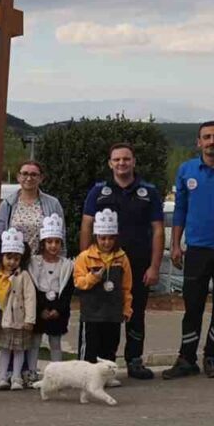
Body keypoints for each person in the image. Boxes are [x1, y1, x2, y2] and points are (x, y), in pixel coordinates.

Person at [80, 143, 164, 380]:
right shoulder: (99, 191)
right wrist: (86, 261)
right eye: (116, 159)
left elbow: (158, 230)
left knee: (135, 313)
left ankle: (134, 360)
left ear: (134, 161)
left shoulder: (149, 192)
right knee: (104, 315)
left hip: (138, 264)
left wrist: (154, 266)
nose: (121, 163)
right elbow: (86, 225)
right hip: (103, 266)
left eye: (126, 159)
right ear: (110, 163)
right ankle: (100, 363)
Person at [165, 121, 214, 380]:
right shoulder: (187, 170)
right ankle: (186, 358)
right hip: (196, 250)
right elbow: (180, 209)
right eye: (207, 137)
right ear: (199, 142)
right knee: (192, 307)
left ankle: (212, 357)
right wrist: (175, 244)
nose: (211, 141)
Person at [73, 209, 133, 363]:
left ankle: (107, 374)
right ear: (96, 237)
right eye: (103, 238)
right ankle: (85, 374)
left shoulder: (122, 258)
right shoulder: (85, 257)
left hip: (113, 314)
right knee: (89, 353)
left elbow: (126, 287)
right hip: (91, 315)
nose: (107, 242)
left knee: (109, 352)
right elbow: (78, 282)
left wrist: (126, 308)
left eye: (111, 238)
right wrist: (93, 278)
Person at [27, 214, 73, 383]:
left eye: (57, 242)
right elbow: (32, 287)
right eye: (49, 242)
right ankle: (31, 371)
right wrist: (41, 309)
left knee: (55, 342)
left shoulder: (66, 265)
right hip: (40, 305)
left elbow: (67, 290)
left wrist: (58, 309)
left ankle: (57, 374)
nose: (53, 246)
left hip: (57, 306)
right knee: (35, 341)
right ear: (43, 243)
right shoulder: (34, 263)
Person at [0, 228, 36, 390]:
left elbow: (30, 298)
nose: (12, 262)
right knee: (4, 349)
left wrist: (30, 319)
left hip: (19, 319)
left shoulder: (23, 276)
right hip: (3, 319)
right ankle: (2, 376)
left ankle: (17, 377)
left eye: (16, 259)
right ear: (1, 257)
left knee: (19, 349)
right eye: (8, 258)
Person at [0, 161, 65, 255]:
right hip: (14, 261)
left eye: (34, 174)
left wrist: (61, 260)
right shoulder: (7, 205)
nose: (29, 178)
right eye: (25, 174)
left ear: (41, 178)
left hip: (42, 262)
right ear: (18, 177)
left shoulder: (53, 204)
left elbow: (61, 237)